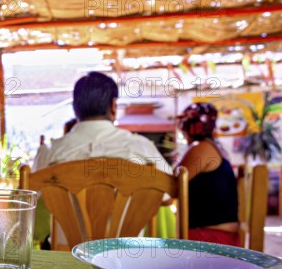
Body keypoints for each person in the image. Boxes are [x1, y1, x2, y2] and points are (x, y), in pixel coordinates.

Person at [34, 71, 170, 173]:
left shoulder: (48, 153)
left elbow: (31, 197)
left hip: (62, 212)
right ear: (113, 106)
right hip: (135, 212)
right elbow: (168, 196)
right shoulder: (142, 147)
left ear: (75, 108)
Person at [175, 102, 239, 246]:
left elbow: (172, 186)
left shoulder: (201, 148)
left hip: (210, 239)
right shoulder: (212, 146)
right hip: (220, 237)